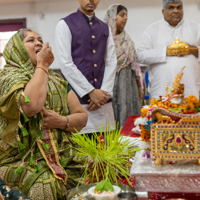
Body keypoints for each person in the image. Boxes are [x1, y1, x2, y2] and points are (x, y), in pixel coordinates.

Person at [0, 28, 88, 200]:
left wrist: (62, 121)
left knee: (98, 165)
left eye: (40, 39)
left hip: (64, 152)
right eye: (30, 40)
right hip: (20, 159)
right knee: (46, 187)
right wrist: (42, 65)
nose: (38, 42)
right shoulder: (7, 80)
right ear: (16, 49)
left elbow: (82, 117)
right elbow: (31, 106)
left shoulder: (57, 81)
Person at [55, 0, 117, 136]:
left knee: (105, 152)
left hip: (103, 105)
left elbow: (111, 61)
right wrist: (90, 91)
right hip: (78, 102)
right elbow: (66, 63)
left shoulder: (104, 27)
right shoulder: (65, 24)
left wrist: (103, 94)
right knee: (81, 153)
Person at [137, 0, 200, 100]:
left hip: (190, 91)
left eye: (179, 7)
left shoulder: (196, 28)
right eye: (171, 8)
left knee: (191, 114)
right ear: (163, 11)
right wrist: (166, 51)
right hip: (161, 91)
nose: (176, 11)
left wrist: (191, 49)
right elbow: (140, 55)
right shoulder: (152, 30)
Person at [104, 4, 143, 129]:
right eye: (122, 15)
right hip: (110, 83)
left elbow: (135, 65)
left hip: (128, 84)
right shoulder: (104, 40)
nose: (125, 18)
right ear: (112, 17)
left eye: (126, 15)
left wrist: (139, 87)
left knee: (128, 111)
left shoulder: (127, 39)